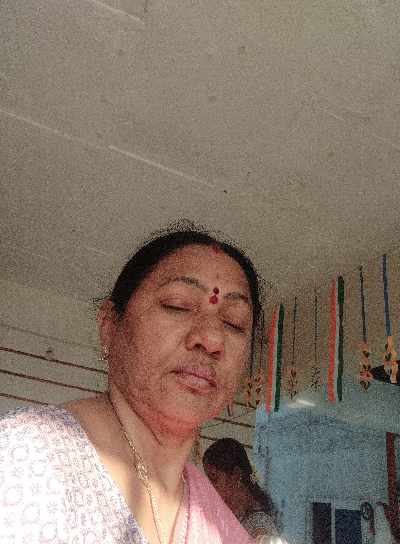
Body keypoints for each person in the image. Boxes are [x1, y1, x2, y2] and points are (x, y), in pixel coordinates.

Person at [0, 225, 264, 543]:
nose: (211, 339)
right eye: (178, 305)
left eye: (234, 323)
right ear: (109, 327)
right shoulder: (23, 458)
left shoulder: (218, 522)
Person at [203, 438, 280, 543]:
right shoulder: (235, 514)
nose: (209, 486)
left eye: (214, 479)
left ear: (235, 475)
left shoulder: (259, 528)